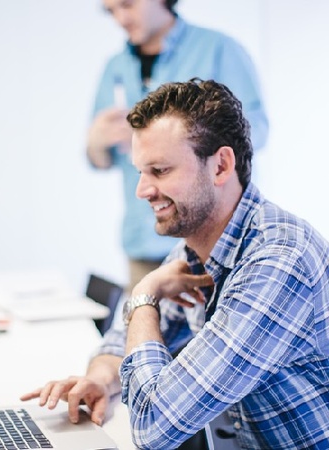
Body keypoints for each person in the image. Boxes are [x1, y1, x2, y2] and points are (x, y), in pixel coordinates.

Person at [22, 79, 329, 449]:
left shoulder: (279, 261)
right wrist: (101, 379)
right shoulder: (199, 245)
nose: (143, 191)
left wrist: (144, 293)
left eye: (160, 171)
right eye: (140, 172)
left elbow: (155, 426)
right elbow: (125, 343)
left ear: (220, 166)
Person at [87, 0, 269, 291]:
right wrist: (96, 142)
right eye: (111, 11)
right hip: (144, 241)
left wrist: (184, 135)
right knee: (140, 324)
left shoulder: (218, 49)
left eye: (127, 5)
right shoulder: (115, 68)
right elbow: (99, 159)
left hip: (211, 242)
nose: (120, 18)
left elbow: (254, 131)